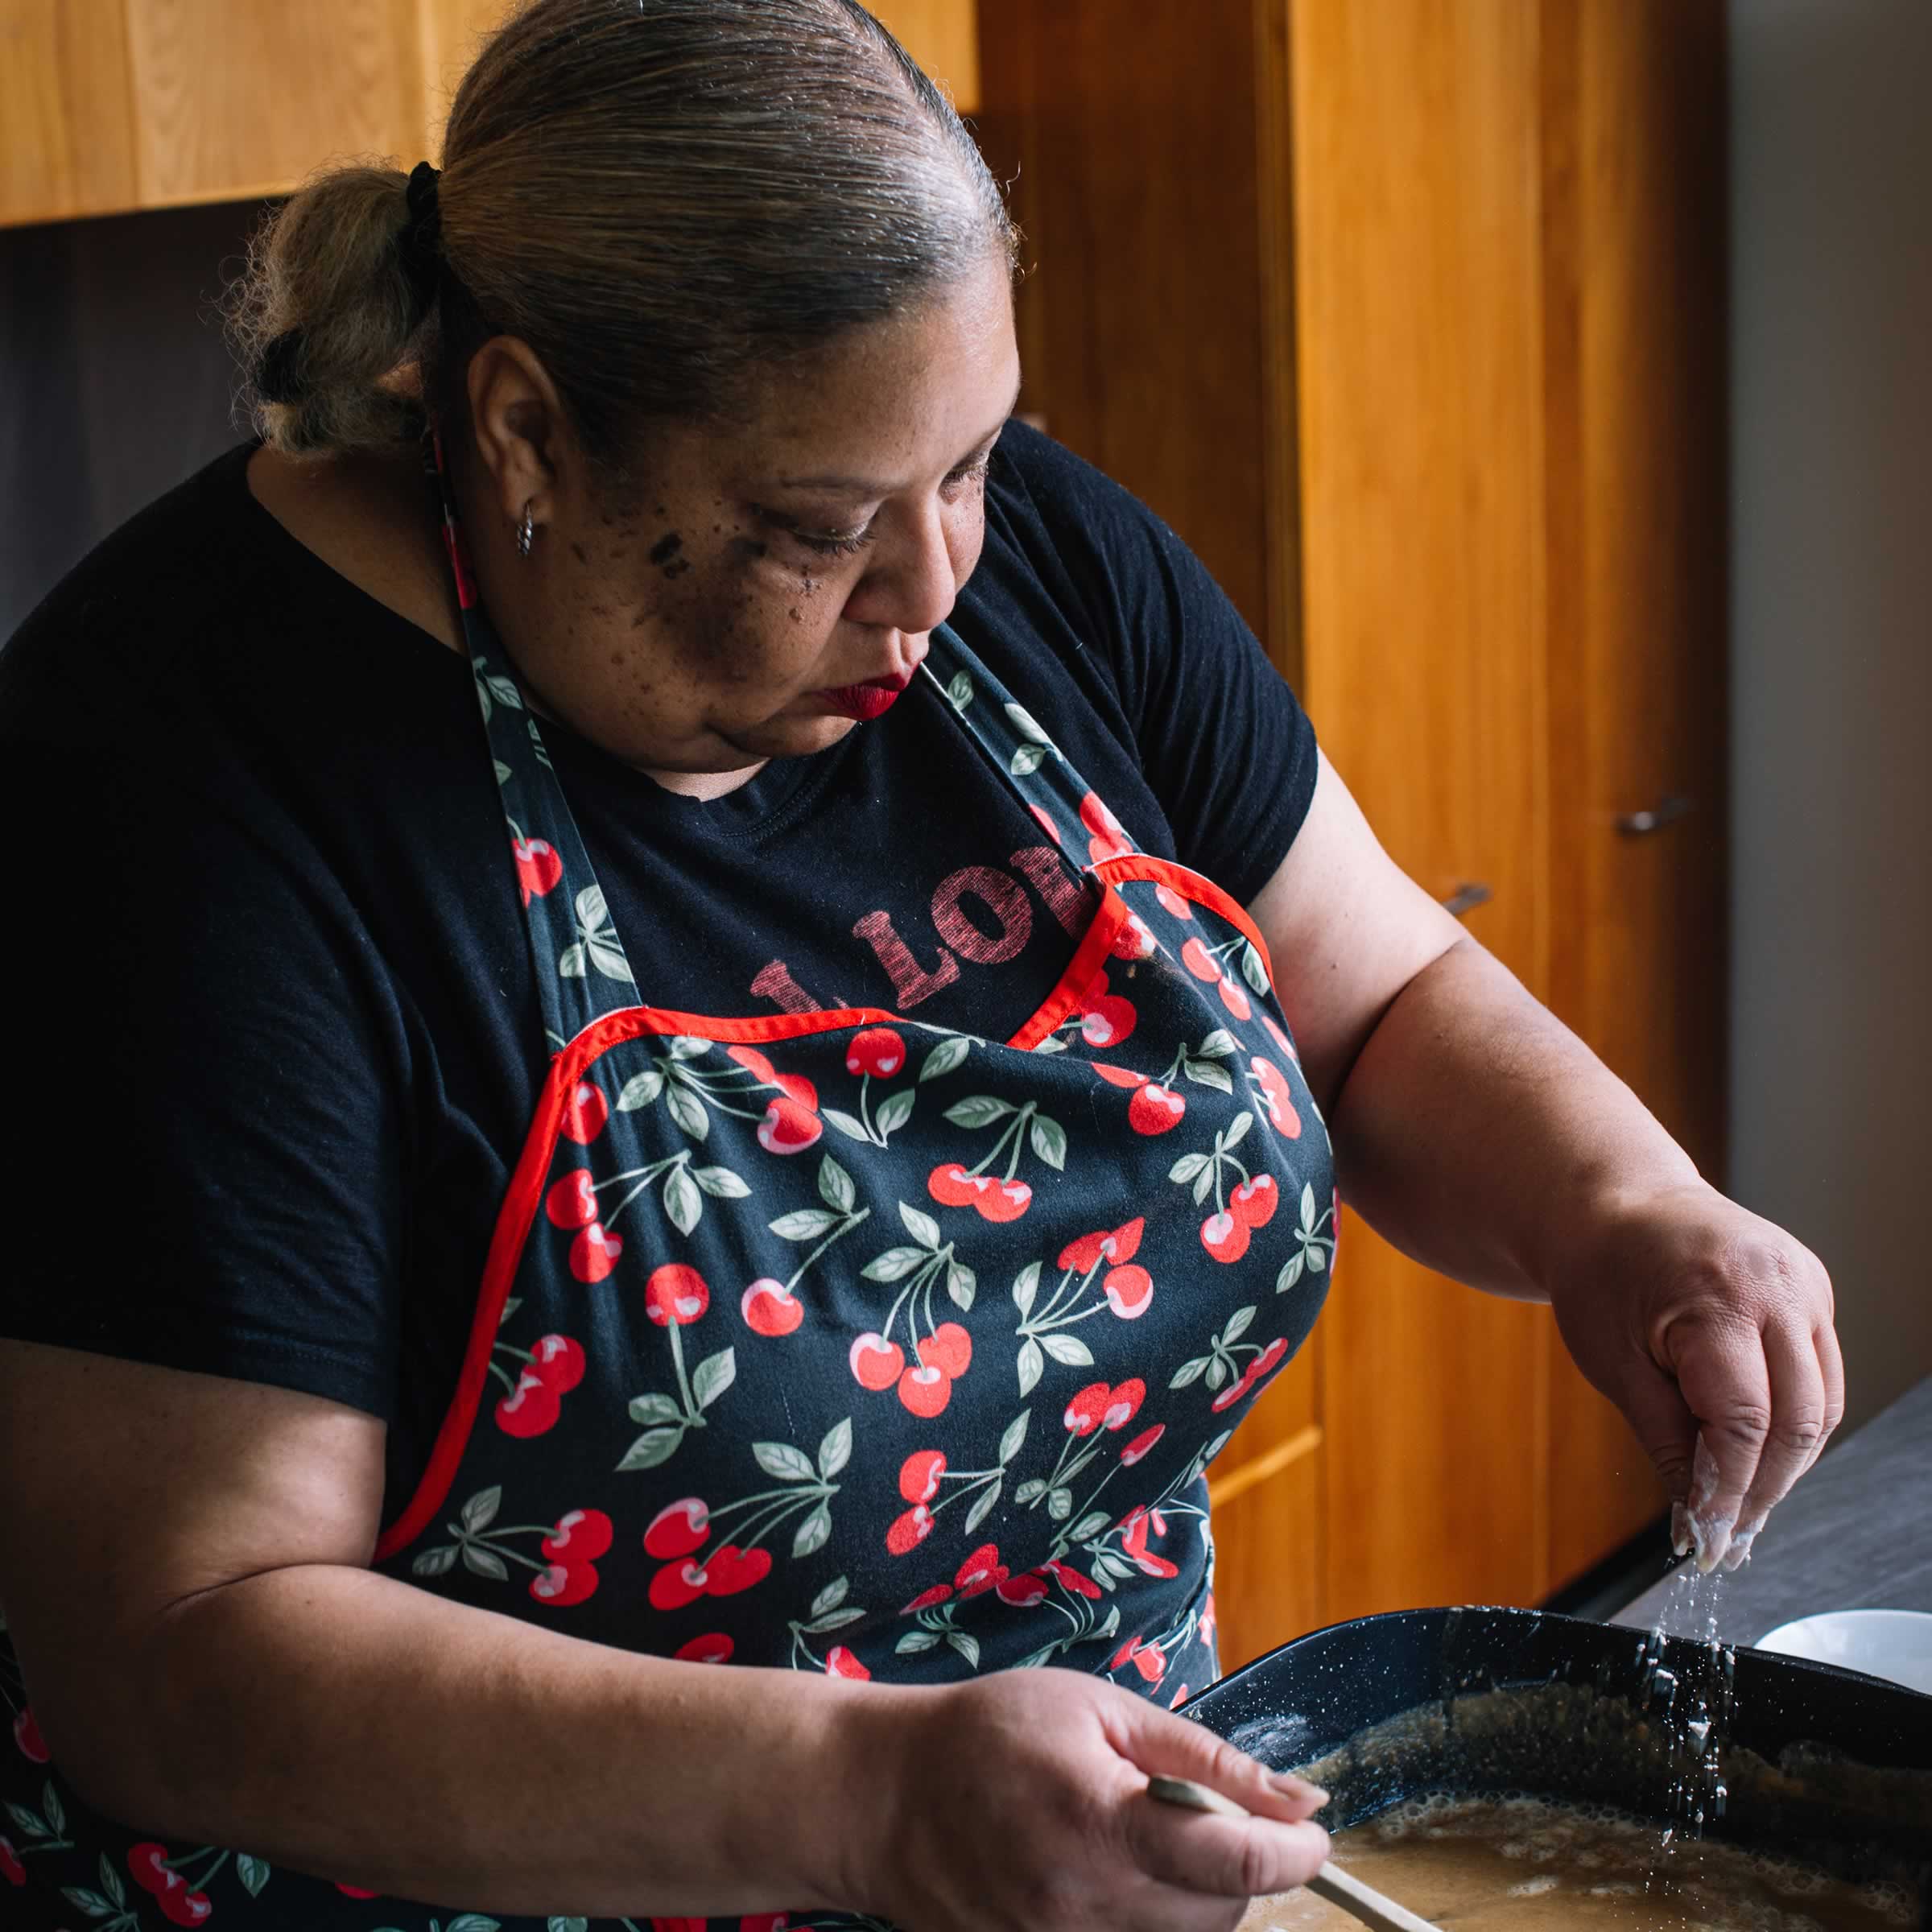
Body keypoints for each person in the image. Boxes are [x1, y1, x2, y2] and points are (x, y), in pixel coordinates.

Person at [0, 2, 1839, 1927]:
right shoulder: (185, 786)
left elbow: (1373, 999)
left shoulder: (1015, 553)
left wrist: (1622, 1205)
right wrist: (864, 1796)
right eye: (821, 528)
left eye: (966, 465)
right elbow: (186, 1654)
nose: (937, 584)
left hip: (1065, 1856)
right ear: (525, 425)